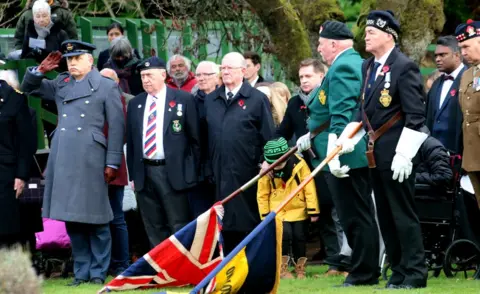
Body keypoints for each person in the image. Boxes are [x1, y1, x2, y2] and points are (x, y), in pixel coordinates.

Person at [20, 41, 125, 286]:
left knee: (97, 218)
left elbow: (117, 129)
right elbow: (28, 88)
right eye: (69, 60)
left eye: (78, 59)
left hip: (92, 158)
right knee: (72, 219)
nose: (73, 63)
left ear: (90, 60)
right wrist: (40, 71)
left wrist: (112, 162)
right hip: (65, 156)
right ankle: (81, 272)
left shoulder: (106, 86)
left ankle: (98, 272)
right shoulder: (62, 83)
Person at [337, 10, 428, 289]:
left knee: (403, 214)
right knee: (386, 216)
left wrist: (405, 153)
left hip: (398, 150)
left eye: (371, 32)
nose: (366, 36)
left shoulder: (404, 66)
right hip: (374, 152)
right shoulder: (368, 67)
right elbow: (362, 109)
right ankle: (398, 271)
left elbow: (416, 115)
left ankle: (415, 273)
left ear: (389, 36)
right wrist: (347, 137)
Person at [296, 20, 380, 287]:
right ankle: (362, 270)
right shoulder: (346, 63)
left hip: (344, 154)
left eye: (321, 45)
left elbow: (343, 112)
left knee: (354, 215)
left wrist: (334, 149)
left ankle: (363, 272)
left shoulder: (344, 65)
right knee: (353, 215)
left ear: (333, 44)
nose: (319, 50)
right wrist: (311, 134)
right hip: (339, 150)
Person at [272, 58, 343, 275]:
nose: (304, 80)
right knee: (322, 215)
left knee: (339, 214)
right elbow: (282, 133)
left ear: (321, 76)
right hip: (309, 167)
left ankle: (347, 261)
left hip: (334, 162)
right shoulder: (295, 103)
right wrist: (269, 154)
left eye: (308, 76)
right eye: (301, 76)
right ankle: (333, 261)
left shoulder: (330, 97)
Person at [126, 57, 201, 247]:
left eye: (149, 75)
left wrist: (191, 171)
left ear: (163, 75)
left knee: (178, 223)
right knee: (153, 224)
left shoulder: (183, 99)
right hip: (145, 172)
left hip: (173, 172)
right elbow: (133, 142)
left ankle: (182, 268)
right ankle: (160, 271)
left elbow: (196, 140)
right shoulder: (136, 103)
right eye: (143, 76)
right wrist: (133, 174)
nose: (145, 80)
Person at [205, 52, 274, 256]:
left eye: (230, 68)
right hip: (217, 173)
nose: (225, 72)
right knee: (222, 220)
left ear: (243, 72)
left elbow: (268, 134)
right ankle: (225, 262)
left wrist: (266, 161)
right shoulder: (211, 100)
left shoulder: (256, 99)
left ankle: (251, 260)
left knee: (246, 219)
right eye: (223, 68)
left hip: (247, 171)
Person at [257, 137, 319, 280]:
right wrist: (265, 215)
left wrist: (313, 210)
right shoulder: (266, 172)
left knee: (299, 237)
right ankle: (282, 269)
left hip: (298, 208)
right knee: (284, 236)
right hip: (278, 211)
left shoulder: (300, 164)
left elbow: (308, 186)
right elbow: (262, 194)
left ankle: (300, 268)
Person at [0, 70, 37, 250]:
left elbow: (26, 142)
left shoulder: (16, 101)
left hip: (8, 172)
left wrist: (21, 175)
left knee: (9, 227)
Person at [99, 68, 130, 276]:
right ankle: (107, 262)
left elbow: (122, 135)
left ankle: (122, 262)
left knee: (116, 217)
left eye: (109, 80)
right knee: (99, 219)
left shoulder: (120, 102)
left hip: (114, 169)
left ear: (117, 82)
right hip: (92, 170)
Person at [426, 36, 466, 155]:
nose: (437, 59)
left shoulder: (470, 80)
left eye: (443, 55)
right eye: (436, 55)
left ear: (457, 55)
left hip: (460, 153)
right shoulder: (436, 83)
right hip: (434, 154)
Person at [189, 61, 219, 218]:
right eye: (198, 75)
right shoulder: (190, 102)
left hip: (223, 167)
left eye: (206, 74)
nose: (201, 78)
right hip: (199, 170)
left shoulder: (225, 100)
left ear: (217, 77)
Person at [16, 0, 69, 70]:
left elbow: (68, 57)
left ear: (49, 16)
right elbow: (24, 57)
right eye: (38, 16)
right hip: (34, 72)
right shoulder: (30, 32)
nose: (41, 20)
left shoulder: (60, 33)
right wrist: (32, 54)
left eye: (44, 16)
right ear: (33, 17)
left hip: (55, 73)